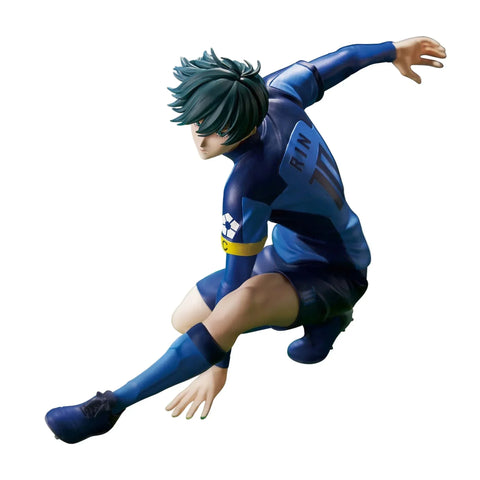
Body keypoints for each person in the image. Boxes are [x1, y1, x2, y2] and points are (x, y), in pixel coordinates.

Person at [45, 36, 446, 443]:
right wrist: (392, 50)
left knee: (231, 310)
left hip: (338, 272)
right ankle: (320, 317)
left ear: (240, 122)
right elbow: (342, 59)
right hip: (291, 252)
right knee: (184, 319)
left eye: (217, 129)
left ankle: (112, 406)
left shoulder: (248, 185)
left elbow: (232, 293)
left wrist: (217, 366)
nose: (201, 139)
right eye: (197, 122)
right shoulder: (275, 92)